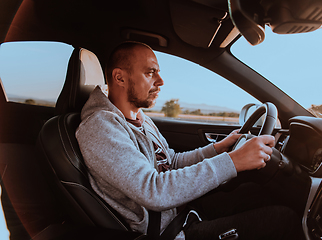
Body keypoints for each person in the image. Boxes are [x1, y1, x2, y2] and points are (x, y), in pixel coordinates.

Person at [76, 41, 302, 240]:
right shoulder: (100, 127)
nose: (161, 81)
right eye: (150, 73)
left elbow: (170, 162)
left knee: (257, 193)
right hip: (170, 231)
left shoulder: (138, 118)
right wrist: (233, 161)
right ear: (120, 78)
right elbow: (153, 191)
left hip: (182, 209)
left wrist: (217, 149)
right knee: (283, 220)